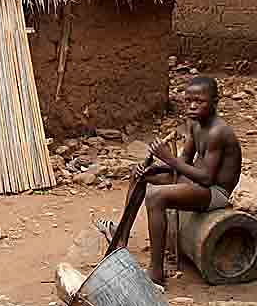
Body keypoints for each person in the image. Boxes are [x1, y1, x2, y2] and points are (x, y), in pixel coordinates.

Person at [95, 76, 242, 284]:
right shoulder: (195, 124)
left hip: (214, 193)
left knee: (156, 196)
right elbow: (183, 161)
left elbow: (208, 178)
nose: (192, 106)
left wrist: (168, 158)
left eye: (199, 101)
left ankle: (156, 272)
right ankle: (121, 238)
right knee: (141, 177)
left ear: (215, 102)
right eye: (188, 100)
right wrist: (156, 168)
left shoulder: (218, 132)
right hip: (195, 181)